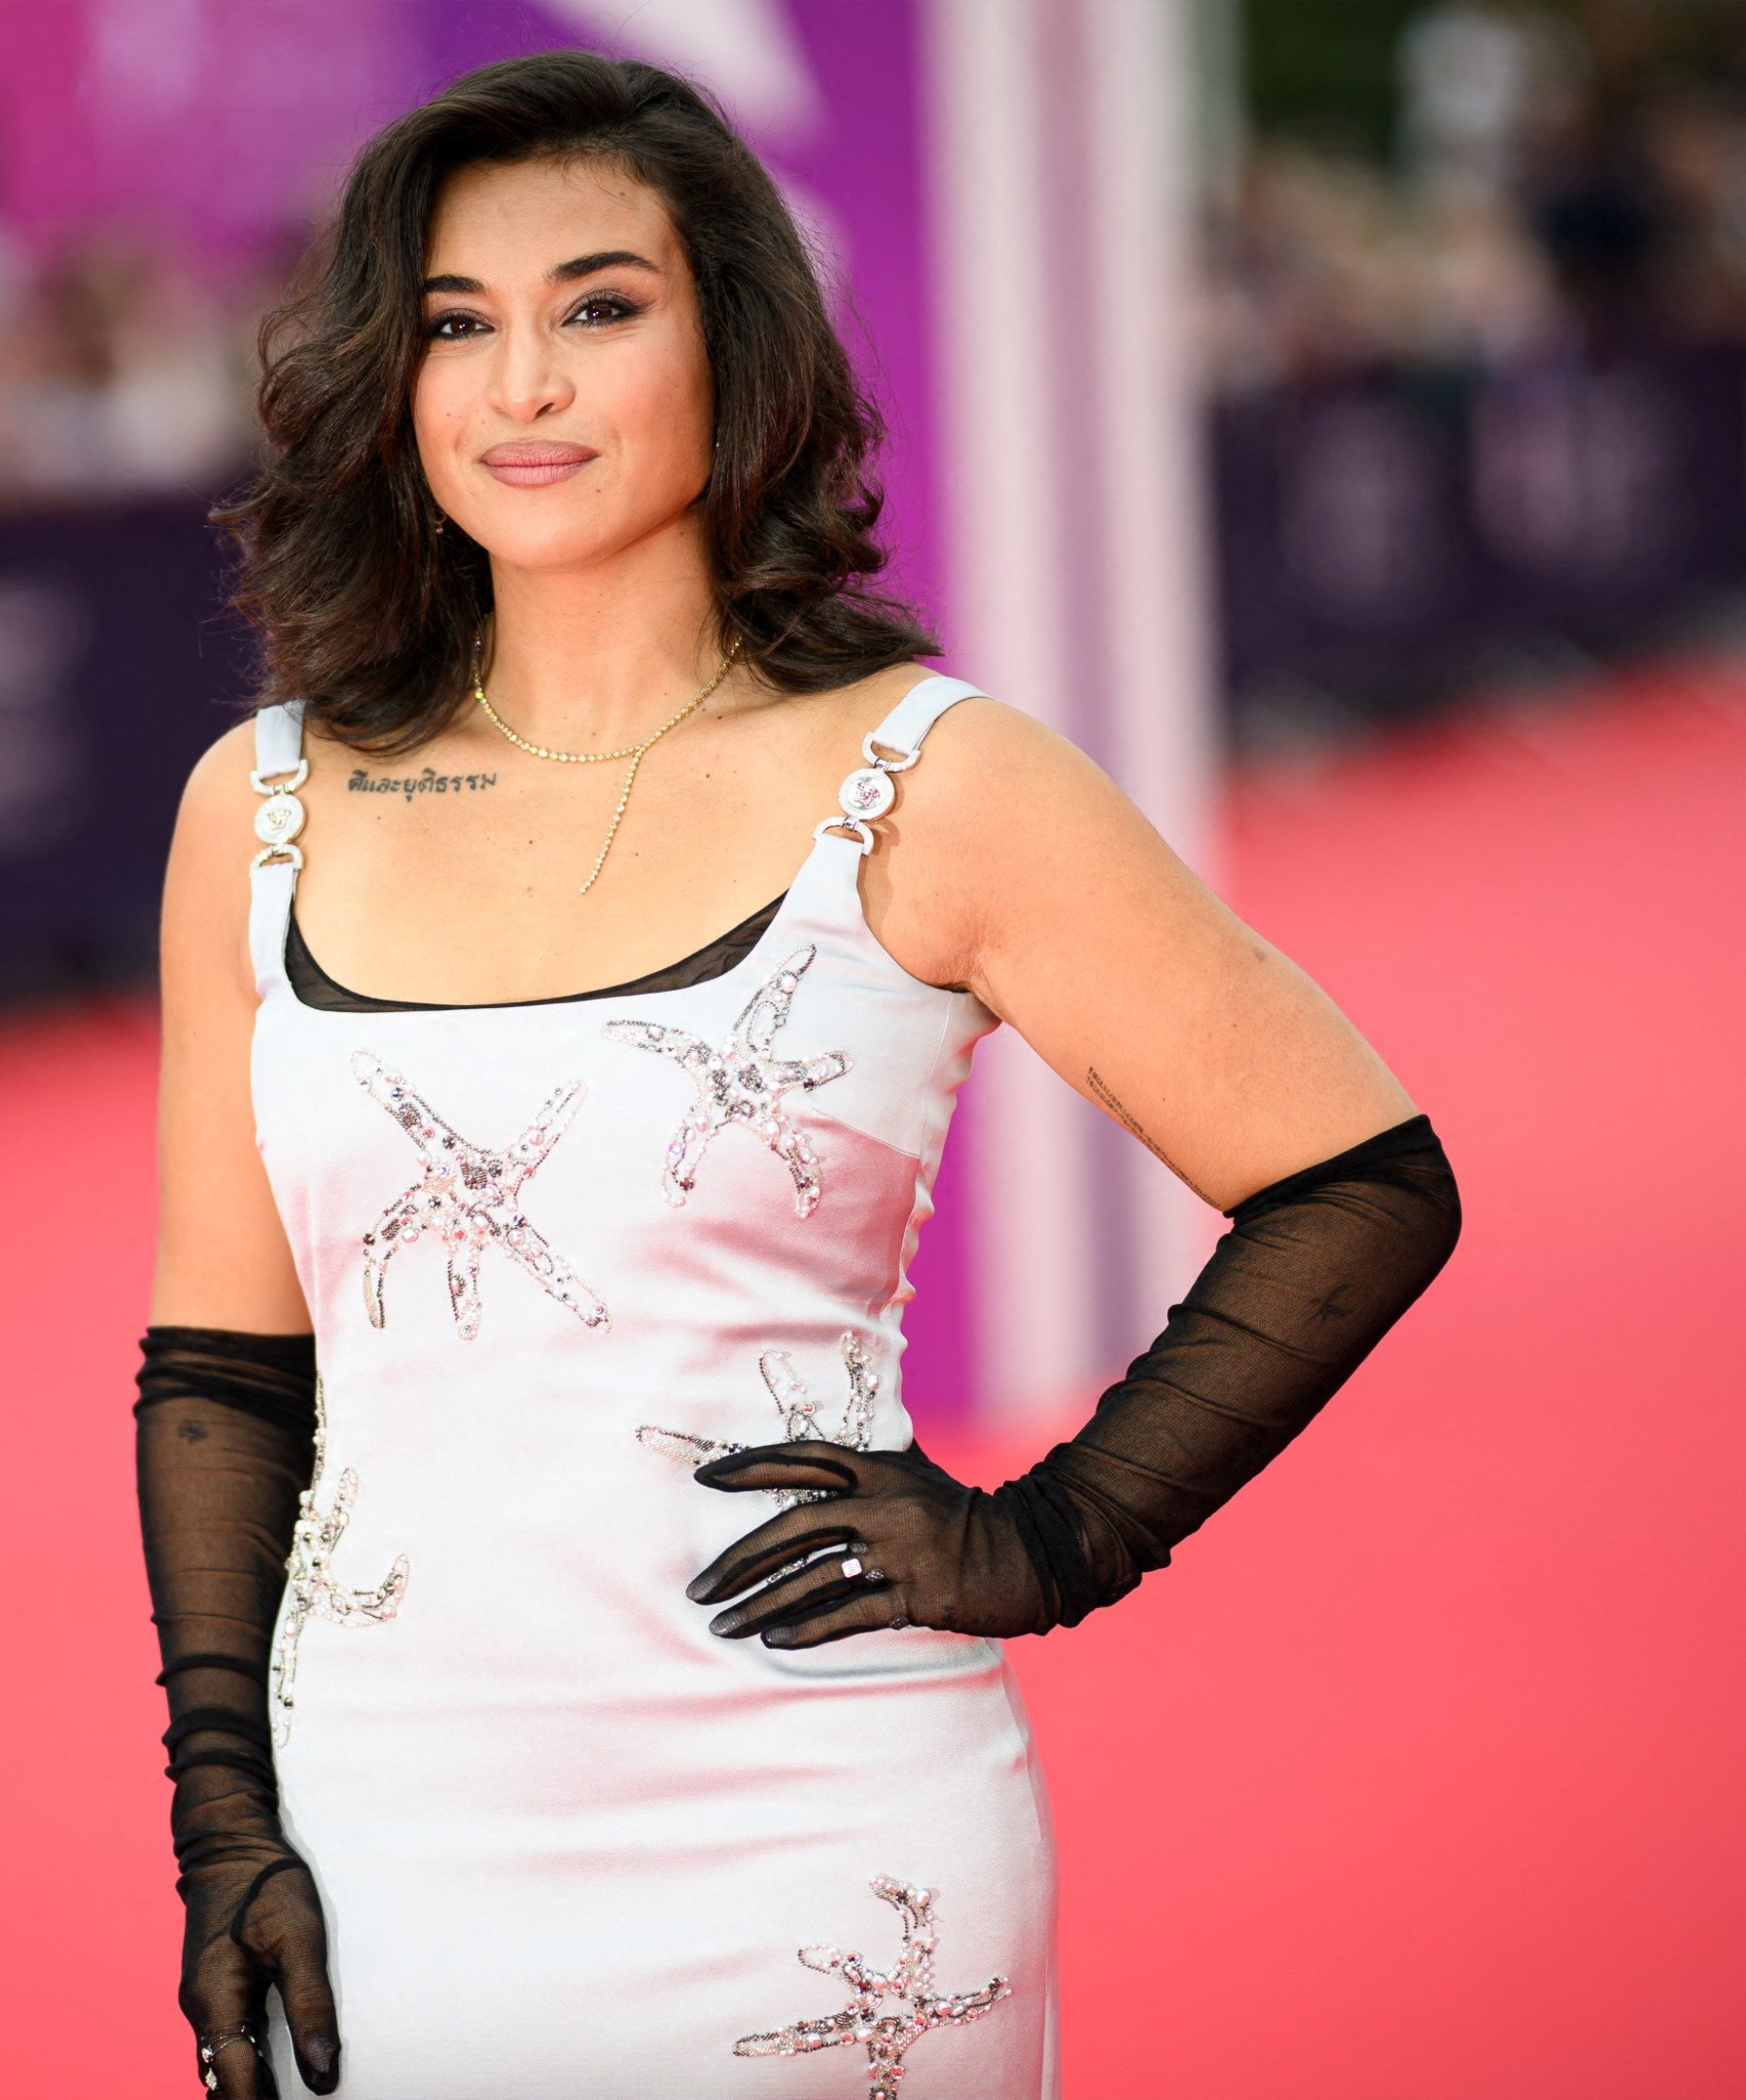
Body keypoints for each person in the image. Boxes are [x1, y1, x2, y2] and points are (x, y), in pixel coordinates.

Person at [140, 54, 1460, 2098]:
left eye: (598, 307)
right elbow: (227, 1368)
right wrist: (225, 1826)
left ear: (733, 344)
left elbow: (1359, 1179)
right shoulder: (264, 806)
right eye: (457, 326)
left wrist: (1052, 1538)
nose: (521, 387)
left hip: (817, 1840)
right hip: (381, 1837)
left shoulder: (935, 783)